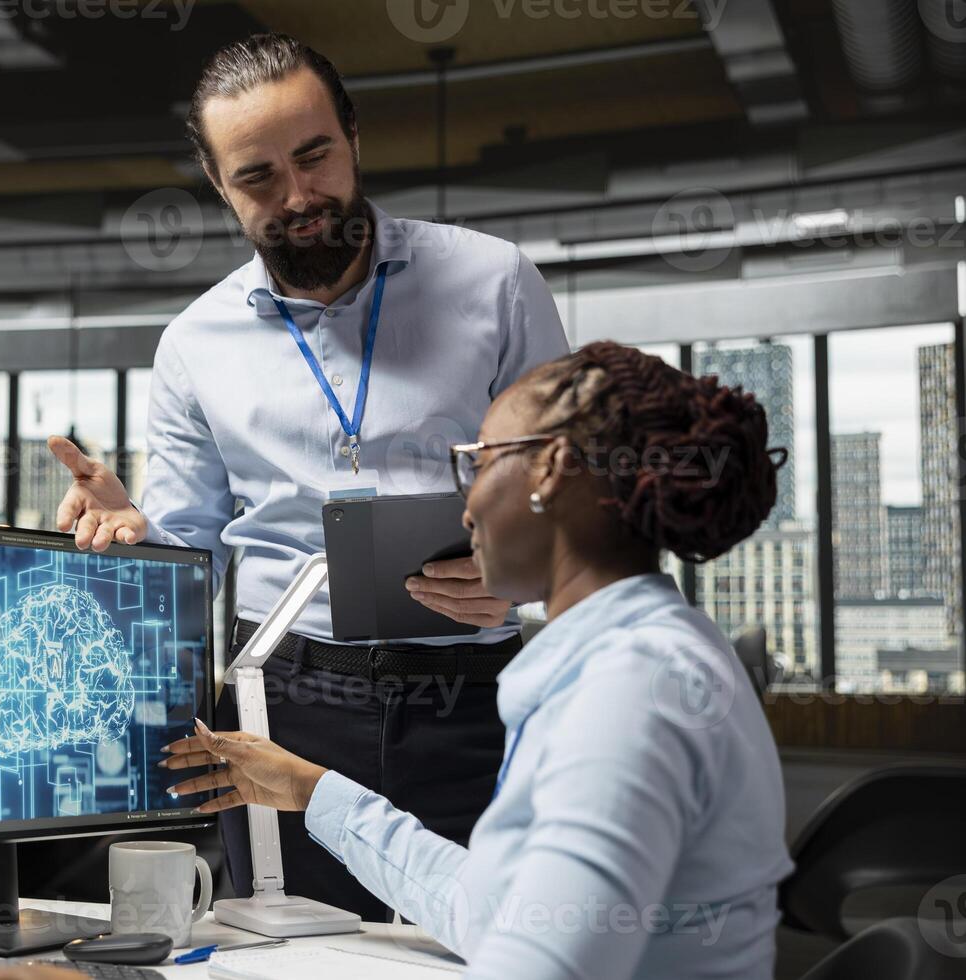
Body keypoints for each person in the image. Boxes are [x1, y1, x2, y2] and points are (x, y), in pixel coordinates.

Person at [48, 33, 569, 917]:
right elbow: (191, 555)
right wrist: (133, 536)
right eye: (257, 176)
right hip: (282, 699)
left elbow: (571, 493)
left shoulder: (496, 283)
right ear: (219, 186)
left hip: (472, 693)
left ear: (353, 137)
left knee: (499, 939)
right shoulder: (192, 345)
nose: (298, 196)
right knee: (290, 949)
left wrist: (524, 575)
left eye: (315, 155)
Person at [161, 342, 796, 978]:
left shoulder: (628, 688)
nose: (465, 505)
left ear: (551, 470)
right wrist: (311, 790)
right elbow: (502, 912)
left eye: (479, 463)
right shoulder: (648, 650)